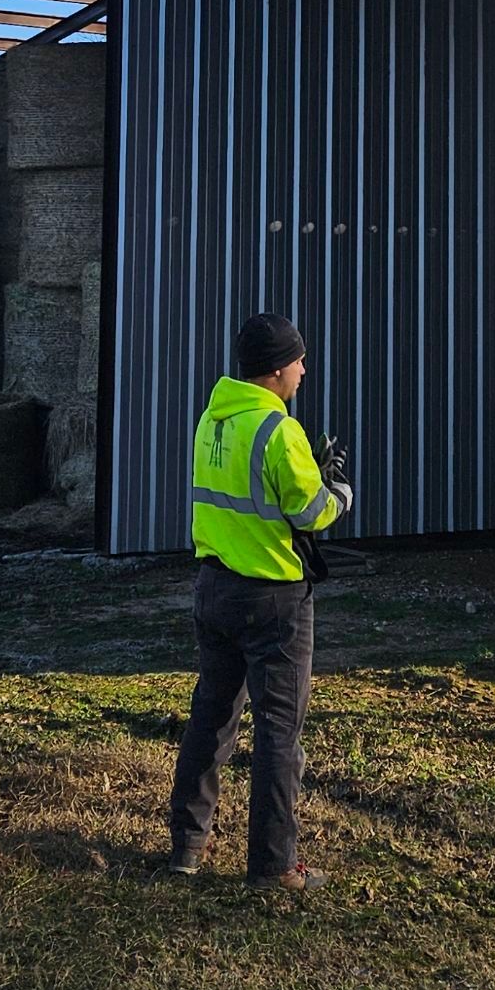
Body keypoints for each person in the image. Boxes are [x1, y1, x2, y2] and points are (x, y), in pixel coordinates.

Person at [164, 309, 352, 891]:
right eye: (298, 361)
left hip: (213, 587)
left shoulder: (213, 419)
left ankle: (186, 848)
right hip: (273, 599)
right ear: (275, 370)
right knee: (278, 733)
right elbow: (309, 511)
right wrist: (337, 489)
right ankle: (273, 866)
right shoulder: (279, 430)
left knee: (211, 719)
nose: (303, 371)